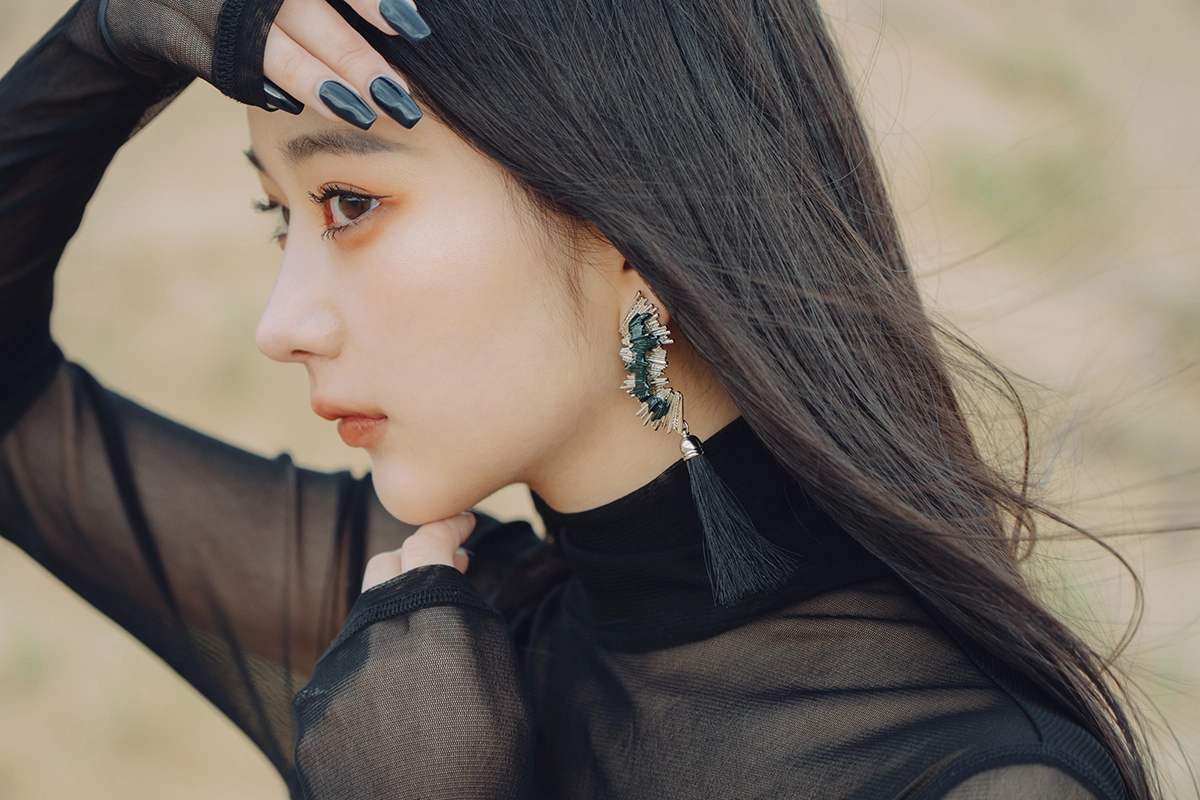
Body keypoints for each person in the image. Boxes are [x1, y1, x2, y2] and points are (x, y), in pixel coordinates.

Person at [0, 0, 1162, 797]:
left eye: (348, 203)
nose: (281, 322)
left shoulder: (981, 780)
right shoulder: (416, 647)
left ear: (625, 231)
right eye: (278, 216)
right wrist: (111, 34)